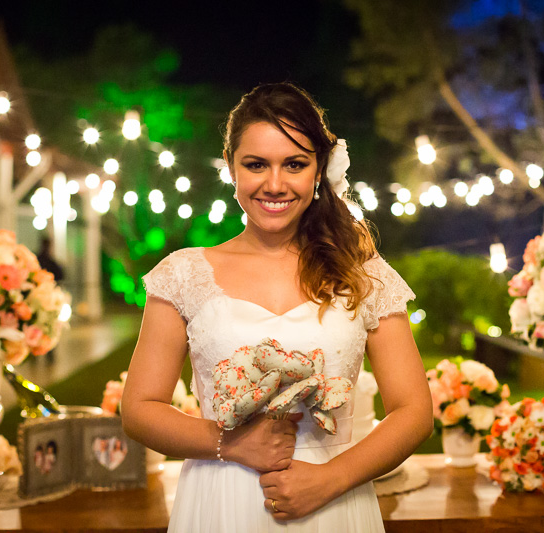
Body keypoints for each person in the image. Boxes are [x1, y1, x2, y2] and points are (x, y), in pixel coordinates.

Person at [121, 82, 432, 532]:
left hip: (334, 504)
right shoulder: (182, 273)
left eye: (294, 164)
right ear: (231, 168)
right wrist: (231, 442)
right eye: (256, 164)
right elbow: (139, 409)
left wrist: (331, 479)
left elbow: (414, 411)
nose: (274, 183)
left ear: (319, 171)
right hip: (221, 502)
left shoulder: (360, 268)